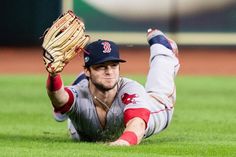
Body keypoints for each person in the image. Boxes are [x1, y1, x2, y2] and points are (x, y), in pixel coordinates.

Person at [45, 28, 180, 146]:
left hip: (151, 112)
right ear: (87, 70)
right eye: (101, 67)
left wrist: (124, 141)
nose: (109, 71)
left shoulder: (130, 90)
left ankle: (163, 50)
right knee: (65, 106)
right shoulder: (79, 94)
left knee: (161, 94)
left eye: (114, 65)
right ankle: (78, 92)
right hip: (82, 121)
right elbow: (59, 98)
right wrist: (53, 75)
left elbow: (138, 123)